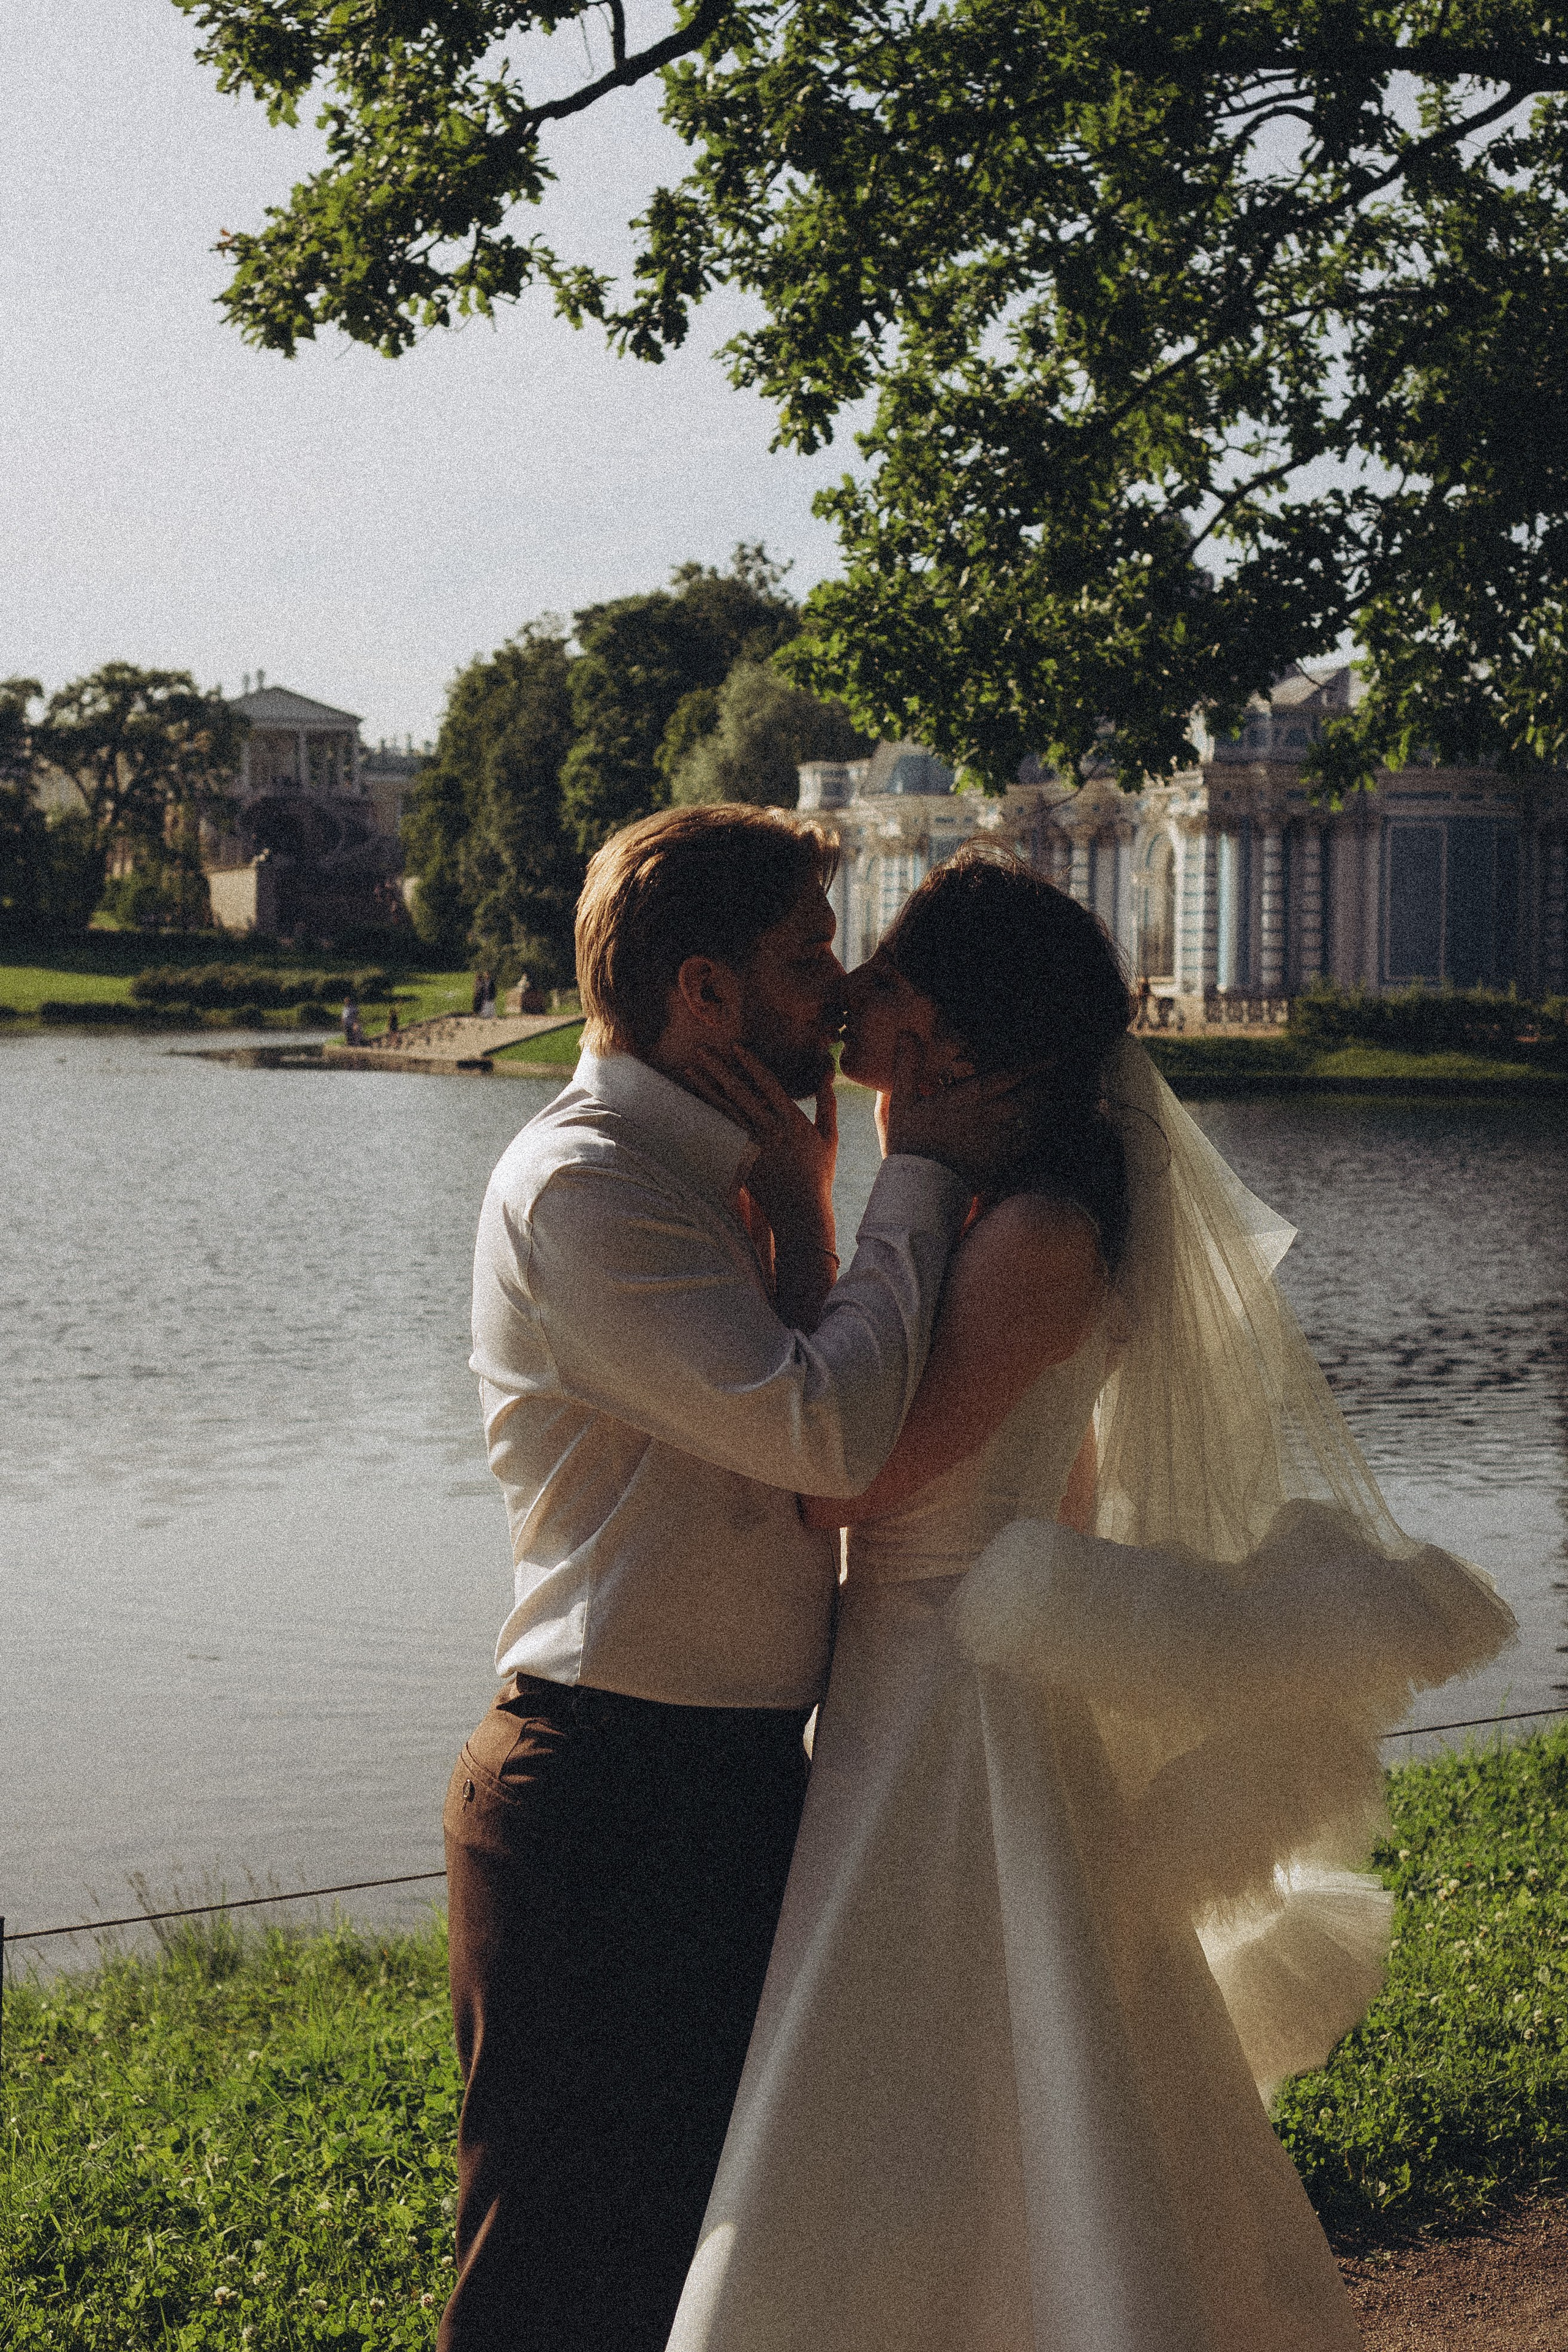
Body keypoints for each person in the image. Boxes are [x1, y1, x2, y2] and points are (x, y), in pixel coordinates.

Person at [668, 845, 1516, 2352]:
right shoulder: (1002, 1212)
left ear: (940, 1034)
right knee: (949, 2059)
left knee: (962, 2046)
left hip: (950, 1698)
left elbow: (839, 1485)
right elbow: (1046, 1489)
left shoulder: (1035, 1233)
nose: (853, 990)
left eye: (885, 974)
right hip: (917, 1670)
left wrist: (817, 1215)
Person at [442, 807, 1034, 2352]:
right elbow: (828, 1442)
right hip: (604, 1793)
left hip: (722, 1780)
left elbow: (795, 1459)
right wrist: (912, 1180)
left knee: (707, 2265)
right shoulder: (587, 1189)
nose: (837, 994)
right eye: (803, 958)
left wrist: (808, 1205)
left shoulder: (719, 1177)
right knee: (552, 2281)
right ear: (702, 995)